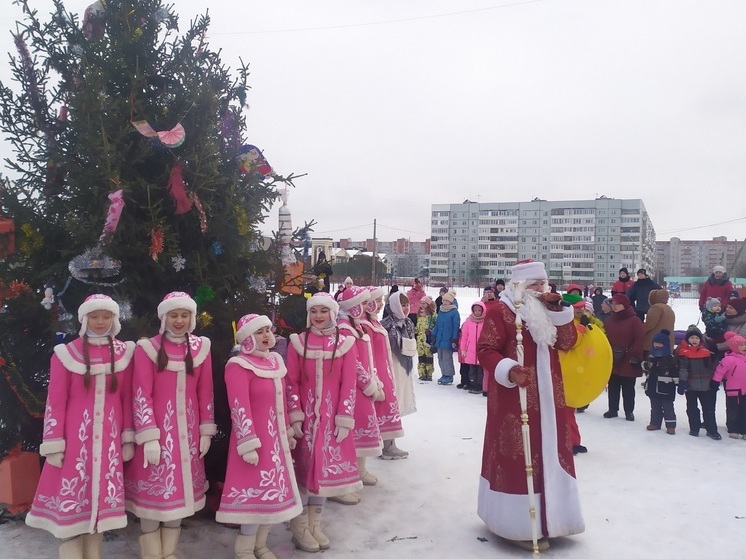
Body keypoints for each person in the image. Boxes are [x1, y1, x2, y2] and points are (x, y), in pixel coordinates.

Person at [477, 260, 583, 551]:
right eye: (534, 284)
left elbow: (567, 342)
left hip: (550, 398)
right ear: (519, 285)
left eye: (543, 283)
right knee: (520, 453)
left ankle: (554, 518)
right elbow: (485, 349)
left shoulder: (549, 309)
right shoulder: (500, 310)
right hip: (515, 399)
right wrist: (509, 370)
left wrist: (561, 312)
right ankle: (517, 524)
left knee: (551, 451)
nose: (540, 289)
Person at [26, 295, 135, 559]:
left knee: (99, 506)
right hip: (74, 444)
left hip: (108, 445)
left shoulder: (124, 354)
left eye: (106, 316)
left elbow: (128, 398)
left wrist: (127, 437)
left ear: (114, 319)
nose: (100, 322)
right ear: (84, 319)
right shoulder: (66, 354)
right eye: (94, 316)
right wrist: (53, 442)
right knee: (71, 504)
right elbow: (56, 401)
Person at [124, 291, 215, 559]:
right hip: (157, 437)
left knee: (182, 497)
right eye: (174, 315)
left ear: (192, 317)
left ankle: (169, 552)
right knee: (153, 501)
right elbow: (141, 393)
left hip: (187, 437)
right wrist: (149, 437)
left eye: (184, 315)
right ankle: (152, 554)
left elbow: (205, 391)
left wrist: (206, 429)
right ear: (164, 317)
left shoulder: (201, 348)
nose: (179, 320)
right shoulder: (147, 348)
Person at [216, 314, 302, 559]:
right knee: (253, 495)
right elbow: (238, 406)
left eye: (268, 330)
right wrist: (248, 444)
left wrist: (287, 430)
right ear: (247, 339)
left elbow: (281, 401)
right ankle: (244, 549)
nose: (267, 336)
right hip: (253, 443)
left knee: (273, 495)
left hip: (276, 443)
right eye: (260, 332)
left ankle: (261, 545)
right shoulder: (238, 366)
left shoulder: (275, 362)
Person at [285, 292, 363, 552]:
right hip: (305, 422)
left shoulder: (346, 343)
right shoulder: (298, 343)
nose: (318, 316)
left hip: (331, 422)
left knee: (324, 474)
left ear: (332, 313)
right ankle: (299, 527)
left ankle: (315, 524)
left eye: (323, 311)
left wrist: (344, 417)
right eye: (314, 311)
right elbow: (291, 382)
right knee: (303, 472)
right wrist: (295, 414)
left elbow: (348, 383)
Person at [336, 286, 383, 502]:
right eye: (362, 303)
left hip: (361, 387)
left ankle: (359, 471)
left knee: (363, 428)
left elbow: (367, 358)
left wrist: (373, 379)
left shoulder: (356, 327)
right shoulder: (344, 329)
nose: (366, 307)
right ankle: (346, 478)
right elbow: (352, 363)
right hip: (352, 388)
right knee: (351, 434)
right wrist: (367, 384)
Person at [360, 286, 408, 459]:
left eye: (381, 301)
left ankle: (387, 442)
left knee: (388, 406)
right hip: (377, 373)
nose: (380, 305)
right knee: (382, 407)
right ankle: (385, 445)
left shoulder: (373, 322)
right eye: (377, 301)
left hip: (384, 371)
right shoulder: (365, 325)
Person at [603, 294, 644, 421]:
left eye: (617, 304)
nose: (614, 306)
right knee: (613, 385)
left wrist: (634, 355)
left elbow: (639, 339)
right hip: (613, 357)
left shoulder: (634, 320)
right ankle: (613, 409)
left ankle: (629, 411)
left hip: (628, 357)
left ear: (625, 305)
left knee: (628, 387)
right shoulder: (609, 320)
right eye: (613, 304)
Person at [677, 325, 721, 440]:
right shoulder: (684, 353)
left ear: (700, 339)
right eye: (692, 338)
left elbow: (711, 368)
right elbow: (683, 369)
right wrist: (682, 382)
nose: (694, 340)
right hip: (691, 386)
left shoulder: (706, 352)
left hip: (706, 386)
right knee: (692, 408)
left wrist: (713, 381)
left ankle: (712, 430)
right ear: (687, 340)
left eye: (696, 337)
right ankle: (694, 428)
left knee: (708, 409)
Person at [381, 291, 417, 417]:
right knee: (392, 394)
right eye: (402, 305)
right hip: (391, 365)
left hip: (404, 366)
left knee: (402, 394)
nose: (406, 308)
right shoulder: (386, 325)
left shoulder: (408, 323)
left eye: (407, 304)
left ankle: (397, 417)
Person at [641, 330, 679, 434]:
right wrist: (643, 365)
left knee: (668, 408)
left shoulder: (670, 358)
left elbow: (675, 372)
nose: (657, 345)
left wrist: (678, 383)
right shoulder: (651, 355)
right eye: (655, 343)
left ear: (665, 345)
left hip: (666, 388)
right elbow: (647, 367)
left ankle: (671, 426)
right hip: (652, 386)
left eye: (660, 343)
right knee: (655, 407)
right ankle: (655, 423)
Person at [712, 331, 746, 439]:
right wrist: (715, 382)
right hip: (733, 389)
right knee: (733, 409)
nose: (744, 347)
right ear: (734, 347)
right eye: (741, 345)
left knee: (744, 409)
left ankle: (744, 430)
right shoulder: (729, 359)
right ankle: (733, 429)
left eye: (745, 344)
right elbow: (719, 371)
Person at [431, 290, 460, 385]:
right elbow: (437, 325)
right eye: (443, 301)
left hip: (448, 339)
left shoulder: (454, 312)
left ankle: (449, 375)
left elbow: (456, 326)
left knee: (447, 358)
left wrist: (454, 338)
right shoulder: (441, 311)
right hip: (440, 338)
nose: (444, 302)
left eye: (446, 301)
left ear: (451, 301)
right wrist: (434, 334)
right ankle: (444, 373)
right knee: (440, 358)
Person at [460, 301, 486, 394]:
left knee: (480, 369)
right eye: (475, 310)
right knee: (472, 369)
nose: (477, 312)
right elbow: (464, 336)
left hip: (481, 349)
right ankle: (472, 383)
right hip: (470, 349)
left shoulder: (485, 321)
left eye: (479, 310)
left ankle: (479, 385)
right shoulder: (468, 320)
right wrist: (463, 348)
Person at [642, 289, 675, 358]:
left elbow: (650, 324)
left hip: (653, 343)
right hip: (666, 343)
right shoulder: (668, 308)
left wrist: (639, 331)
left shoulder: (656, 307)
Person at [414, 296, 437, 381]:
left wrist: (431, 331)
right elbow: (418, 326)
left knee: (429, 356)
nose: (422, 305)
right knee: (421, 357)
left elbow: (436, 326)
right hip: (420, 339)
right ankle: (422, 373)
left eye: (424, 303)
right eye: (421, 303)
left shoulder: (433, 315)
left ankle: (429, 373)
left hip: (428, 339)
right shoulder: (419, 315)